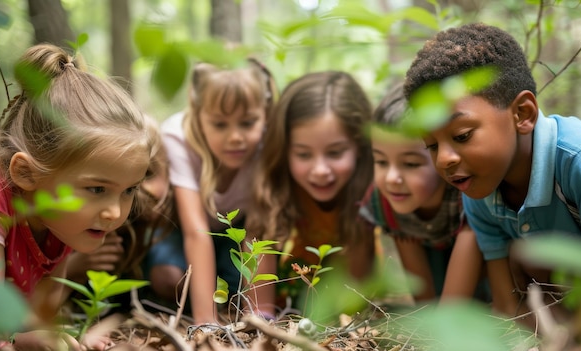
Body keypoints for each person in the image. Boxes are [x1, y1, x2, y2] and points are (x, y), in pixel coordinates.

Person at [403, 22, 581, 323]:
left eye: (462, 135)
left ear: (522, 114)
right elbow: (508, 304)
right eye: (432, 146)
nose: (444, 160)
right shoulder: (479, 190)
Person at [0, 44, 152, 350]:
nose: (115, 213)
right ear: (26, 173)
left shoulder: (63, 223)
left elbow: (37, 318)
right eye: (97, 189)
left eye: (129, 190)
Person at [145, 59, 276, 325]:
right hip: (180, 230)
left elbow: (260, 227)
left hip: (233, 234)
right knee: (169, 278)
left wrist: (261, 312)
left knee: (235, 288)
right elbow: (196, 232)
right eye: (220, 125)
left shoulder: (269, 141)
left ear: (265, 114)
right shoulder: (178, 137)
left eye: (248, 123)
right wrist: (207, 321)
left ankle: (236, 300)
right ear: (198, 114)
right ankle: (195, 304)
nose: (235, 137)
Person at [246, 71, 376, 319]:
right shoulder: (275, 184)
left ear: (359, 145)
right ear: (285, 151)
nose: (320, 171)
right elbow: (259, 236)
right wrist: (260, 316)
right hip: (288, 287)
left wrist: (352, 316)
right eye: (304, 155)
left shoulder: (367, 190)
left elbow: (357, 298)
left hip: (339, 293)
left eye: (335, 153)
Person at [359, 83, 485, 303]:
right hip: (433, 260)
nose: (391, 178)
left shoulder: (468, 195)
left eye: (410, 164)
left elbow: (451, 310)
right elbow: (423, 298)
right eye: (380, 161)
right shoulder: (388, 200)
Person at [64, 115, 173, 312]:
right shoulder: (69, 219)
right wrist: (73, 268)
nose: (114, 210)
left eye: (145, 175)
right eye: (99, 188)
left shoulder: (149, 232)